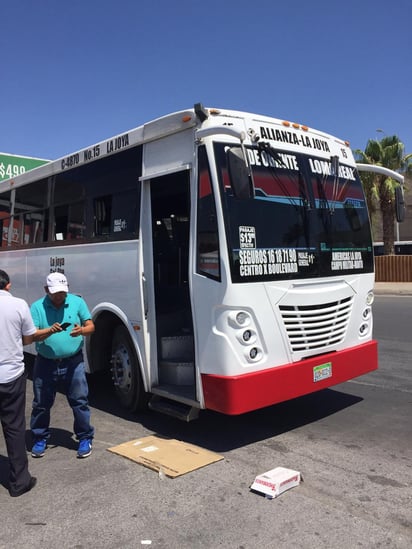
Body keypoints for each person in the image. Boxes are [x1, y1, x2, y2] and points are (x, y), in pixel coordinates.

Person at [30, 272, 95, 459]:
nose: (59, 296)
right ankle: (40, 438)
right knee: (41, 404)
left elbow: (91, 326)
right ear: (46, 290)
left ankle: (84, 438)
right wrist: (49, 331)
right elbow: (32, 335)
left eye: (63, 292)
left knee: (80, 401)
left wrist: (81, 330)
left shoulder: (77, 302)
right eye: (55, 293)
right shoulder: (37, 307)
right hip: (45, 362)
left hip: (73, 361)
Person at [0, 269, 37, 497]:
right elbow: (28, 337)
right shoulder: (19, 305)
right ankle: (19, 482)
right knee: (14, 428)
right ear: (8, 285)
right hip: (11, 375)